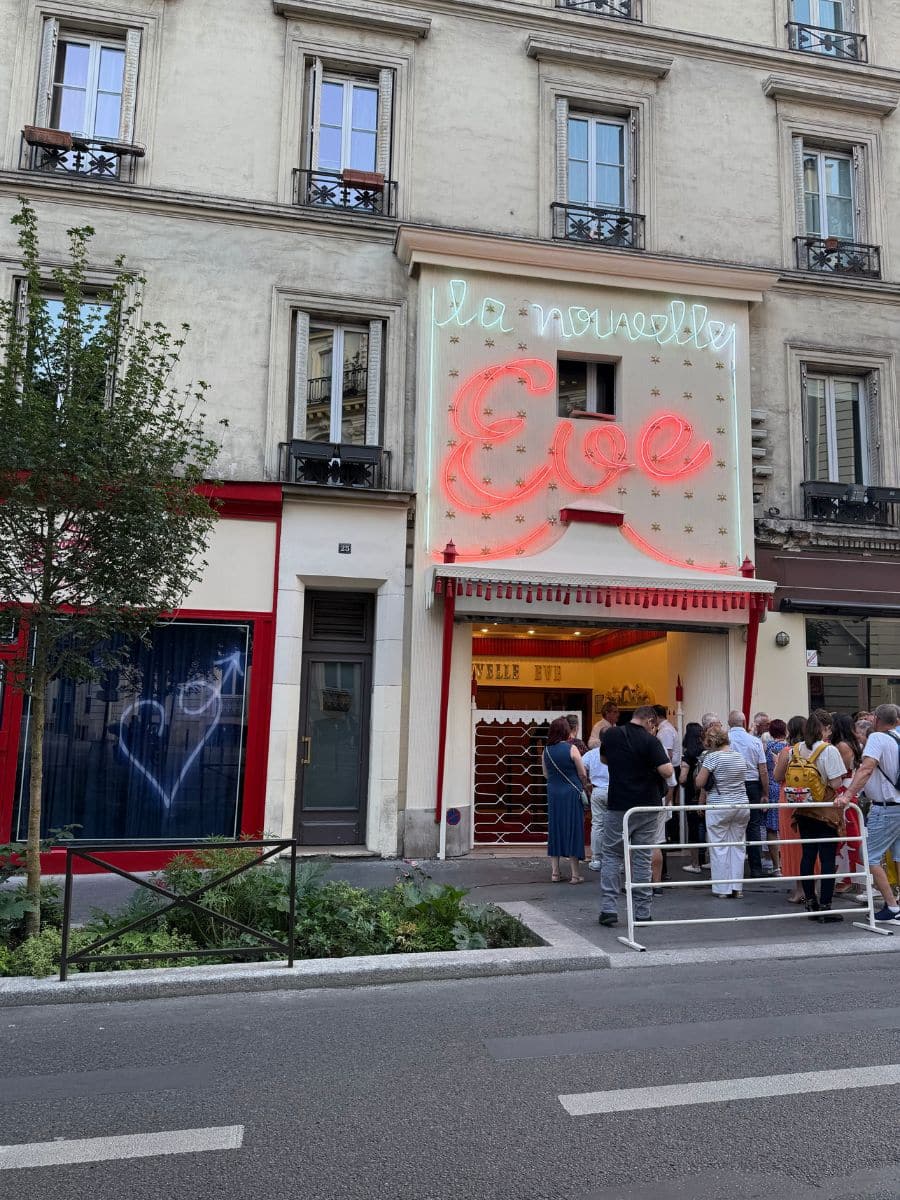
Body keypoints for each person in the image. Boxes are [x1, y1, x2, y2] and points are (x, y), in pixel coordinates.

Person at [598, 705, 676, 928]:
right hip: (647, 806)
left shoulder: (612, 734)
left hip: (618, 803)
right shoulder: (651, 741)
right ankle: (642, 911)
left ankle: (609, 909)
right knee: (641, 856)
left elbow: (604, 759)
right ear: (650, 722)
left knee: (612, 855)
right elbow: (667, 771)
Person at [779, 713, 847, 922]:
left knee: (807, 854)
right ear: (825, 728)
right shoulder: (828, 750)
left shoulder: (795, 749)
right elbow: (836, 783)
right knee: (826, 857)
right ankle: (825, 906)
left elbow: (779, 776)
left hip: (802, 808)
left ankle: (810, 901)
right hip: (823, 808)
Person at [841, 703, 900, 922]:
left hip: (885, 807)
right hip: (897, 806)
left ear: (875, 719)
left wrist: (847, 795)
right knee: (898, 856)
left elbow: (866, 769)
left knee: (872, 858)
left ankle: (892, 909)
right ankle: (897, 904)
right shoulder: (897, 738)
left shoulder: (877, 738)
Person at [695, 726, 750, 898]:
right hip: (741, 804)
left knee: (719, 847)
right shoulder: (739, 756)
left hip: (720, 805)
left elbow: (700, 782)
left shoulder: (712, 758)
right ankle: (737, 887)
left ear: (711, 742)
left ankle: (722, 889)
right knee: (738, 846)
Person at [542, 716, 590, 884]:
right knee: (573, 829)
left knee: (555, 829)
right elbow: (582, 772)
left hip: (554, 793)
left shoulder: (546, 750)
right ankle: (575, 875)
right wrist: (584, 784)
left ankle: (555, 873)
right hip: (571, 793)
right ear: (565, 731)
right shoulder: (572, 749)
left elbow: (546, 774)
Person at [726, 711, 769, 879]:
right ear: (744, 722)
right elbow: (763, 770)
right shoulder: (755, 741)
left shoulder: (724, 740)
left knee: (730, 825)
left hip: (730, 784)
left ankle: (731, 870)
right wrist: (765, 792)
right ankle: (756, 868)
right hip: (752, 784)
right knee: (753, 826)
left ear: (729, 723)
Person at [773, 715, 808, 903]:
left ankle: (800, 889)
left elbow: (778, 776)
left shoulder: (788, 751)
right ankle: (813, 887)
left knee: (794, 843)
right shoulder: (816, 749)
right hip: (811, 799)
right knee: (812, 842)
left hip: (790, 799)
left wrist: (776, 761)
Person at [830, 713, 863, 895]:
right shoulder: (852, 744)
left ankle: (848, 877)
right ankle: (849, 876)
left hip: (843, 790)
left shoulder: (841, 745)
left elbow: (839, 771)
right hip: (848, 789)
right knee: (847, 834)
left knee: (846, 835)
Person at [678, 721, 707, 872]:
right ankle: (708, 860)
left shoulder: (688, 755)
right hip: (708, 794)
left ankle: (695, 863)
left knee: (694, 829)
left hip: (693, 796)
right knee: (708, 827)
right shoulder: (707, 752)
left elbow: (682, 778)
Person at [763, 718, 788, 877]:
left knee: (772, 828)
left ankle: (776, 866)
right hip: (786, 787)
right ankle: (788, 863)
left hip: (772, 787)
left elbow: (764, 769)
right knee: (785, 826)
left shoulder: (766, 748)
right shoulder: (789, 747)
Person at [582, 739, 609, 872]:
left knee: (597, 825)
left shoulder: (592, 754)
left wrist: (586, 783)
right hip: (617, 791)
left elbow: (580, 767)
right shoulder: (620, 750)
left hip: (597, 790)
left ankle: (597, 859)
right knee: (619, 825)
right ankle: (619, 861)